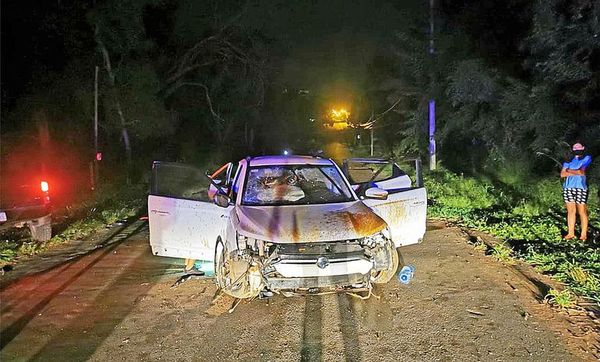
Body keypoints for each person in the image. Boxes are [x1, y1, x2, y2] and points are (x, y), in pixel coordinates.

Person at [560, 143, 592, 241]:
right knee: (571, 211)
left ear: (583, 148)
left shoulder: (586, 158)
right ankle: (571, 233)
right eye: (575, 148)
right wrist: (574, 171)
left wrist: (569, 170)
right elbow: (562, 174)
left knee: (582, 211)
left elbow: (581, 172)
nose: (577, 150)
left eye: (579, 148)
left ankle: (583, 235)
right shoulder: (568, 161)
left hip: (581, 188)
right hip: (568, 188)